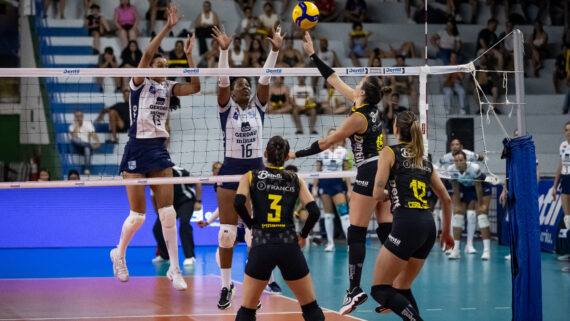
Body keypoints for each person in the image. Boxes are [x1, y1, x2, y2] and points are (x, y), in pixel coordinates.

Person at [290, 31, 392, 315]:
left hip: (369, 170)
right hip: (385, 167)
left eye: (358, 84)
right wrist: (312, 55)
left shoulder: (356, 117)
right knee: (386, 231)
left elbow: (326, 143)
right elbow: (333, 80)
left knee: (356, 231)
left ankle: (354, 290)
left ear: (361, 92)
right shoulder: (370, 109)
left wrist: (294, 154)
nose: (354, 85)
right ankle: (391, 287)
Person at [111, 5, 200, 291]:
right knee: (137, 216)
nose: (162, 67)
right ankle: (119, 253)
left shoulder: (169, 87)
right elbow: (147, 55)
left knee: (169, 213)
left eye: (165, 66)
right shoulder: (139, 83)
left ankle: (175, 268)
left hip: (160, 151)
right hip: (137, 149)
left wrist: (188, 57)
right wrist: (167, 28)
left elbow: (195, 87)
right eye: (158, 65)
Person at [211, 24, 283, 309]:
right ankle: (226, 285)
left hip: (256, 173)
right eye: (240, 84)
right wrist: (224, 51)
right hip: (229, 171)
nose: (245, 86)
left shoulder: (258, 108)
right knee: (227, 233)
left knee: (256, 235)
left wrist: (274, 52)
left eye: (247, 85)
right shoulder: (225, 108)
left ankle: (253, 289)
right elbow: (222, 81)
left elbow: (265, 77)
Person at [370, 111, 453, 321]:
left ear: (396, 129)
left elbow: (377, 193)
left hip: (407, 223)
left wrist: (388, 193)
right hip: (428, 226)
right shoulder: (423, 159)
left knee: (380, 289)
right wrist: (447, 233)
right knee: (402, 287)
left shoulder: (389, 152)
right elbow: (447, 199)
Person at [234, 136, 325, 321]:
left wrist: (252, 225)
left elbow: (237, 204)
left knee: (247, 311)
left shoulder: (251, 176)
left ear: (266, 154)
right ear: (286, 158)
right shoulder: (295, 178)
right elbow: (314, 212)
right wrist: (303, 235)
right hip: (288, 246)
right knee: (310, 308)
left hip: (262, 245)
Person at [151, 166, 202, 266]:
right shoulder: (155, 175)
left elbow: (198, 183)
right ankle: (165, 255)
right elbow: (153, 194)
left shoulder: (180, 171)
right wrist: (158, 211)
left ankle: (190, 256)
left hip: (186, 201)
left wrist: (198, 201)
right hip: (170, 204)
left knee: (184, 223)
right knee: (157, 229)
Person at [447, 151, 492, 260]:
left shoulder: (474, 168)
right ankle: (456, 249)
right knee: (457, 216)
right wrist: (456, 206)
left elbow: (478, 187)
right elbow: (456, 188)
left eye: (461, 160)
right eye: (456, 161)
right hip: (464, 187)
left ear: (465, 160)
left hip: (481, 186)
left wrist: (480, 205)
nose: (459, 163)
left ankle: (486, 250)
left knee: (481, 216)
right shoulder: (451, 169)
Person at [314, 129, 351, 251]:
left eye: (334, 135)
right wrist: (314, 187)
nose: (332, 137)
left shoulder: (343, 151)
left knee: (344, 215)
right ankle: (330, 243)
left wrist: (349, 189)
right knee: (328, 215)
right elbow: (317, 171)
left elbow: (346, 171)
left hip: (337, 185)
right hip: (324, 184)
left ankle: (350, 243)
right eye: (330, 135)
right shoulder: (321, 151)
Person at [553, 121, 570, 250]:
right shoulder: (563, 146)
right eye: (566, 130)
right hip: (565, 180)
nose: (568, 132)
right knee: (567, 218)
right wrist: (554, 186)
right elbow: (560, 166)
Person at [69, 110, 100, 175]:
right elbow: (74, 136)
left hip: (85, 147)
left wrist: (97, 141)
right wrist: (76, 125)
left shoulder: (88, 124)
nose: (79, 118)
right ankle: (89, 145)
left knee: (87, 148)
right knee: (74, 139)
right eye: (77, 116)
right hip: (77, 147)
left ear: (83, 116)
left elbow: (93, 134)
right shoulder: (71, 126)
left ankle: (87, 169)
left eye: (80, 116)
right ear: (74, 117)